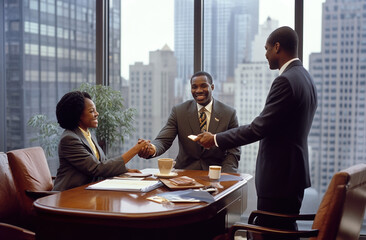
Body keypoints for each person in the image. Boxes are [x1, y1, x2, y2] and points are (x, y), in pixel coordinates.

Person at [195, 26, 318, 235]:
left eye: (267, 49)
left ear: (277, 47)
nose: (266, 54)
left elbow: (258, 128)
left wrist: (215, 139)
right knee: (285, 231)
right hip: (293, 175)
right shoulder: (305, 78)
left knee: (273, 233)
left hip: (279, 179)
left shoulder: (285, 81)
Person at [138, 71, 240, 173]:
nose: (198, 90)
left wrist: (226, 177)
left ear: (212, 87)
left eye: (203, 86)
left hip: (216, 176)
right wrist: (152, 148)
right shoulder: (179, 111)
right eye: (194, 87)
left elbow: (233, 152)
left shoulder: (229, 113)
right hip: (184, 175)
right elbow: (163, 140)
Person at [53, 91, 148, 191]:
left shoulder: (88, 135)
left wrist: (125, 171)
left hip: (88, 193)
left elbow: (104, 162)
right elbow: (96, 168)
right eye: (91, 111)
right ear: (78, 115)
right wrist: (135, 150)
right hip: (69, 196)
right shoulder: (69, 139)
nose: (97, 114)